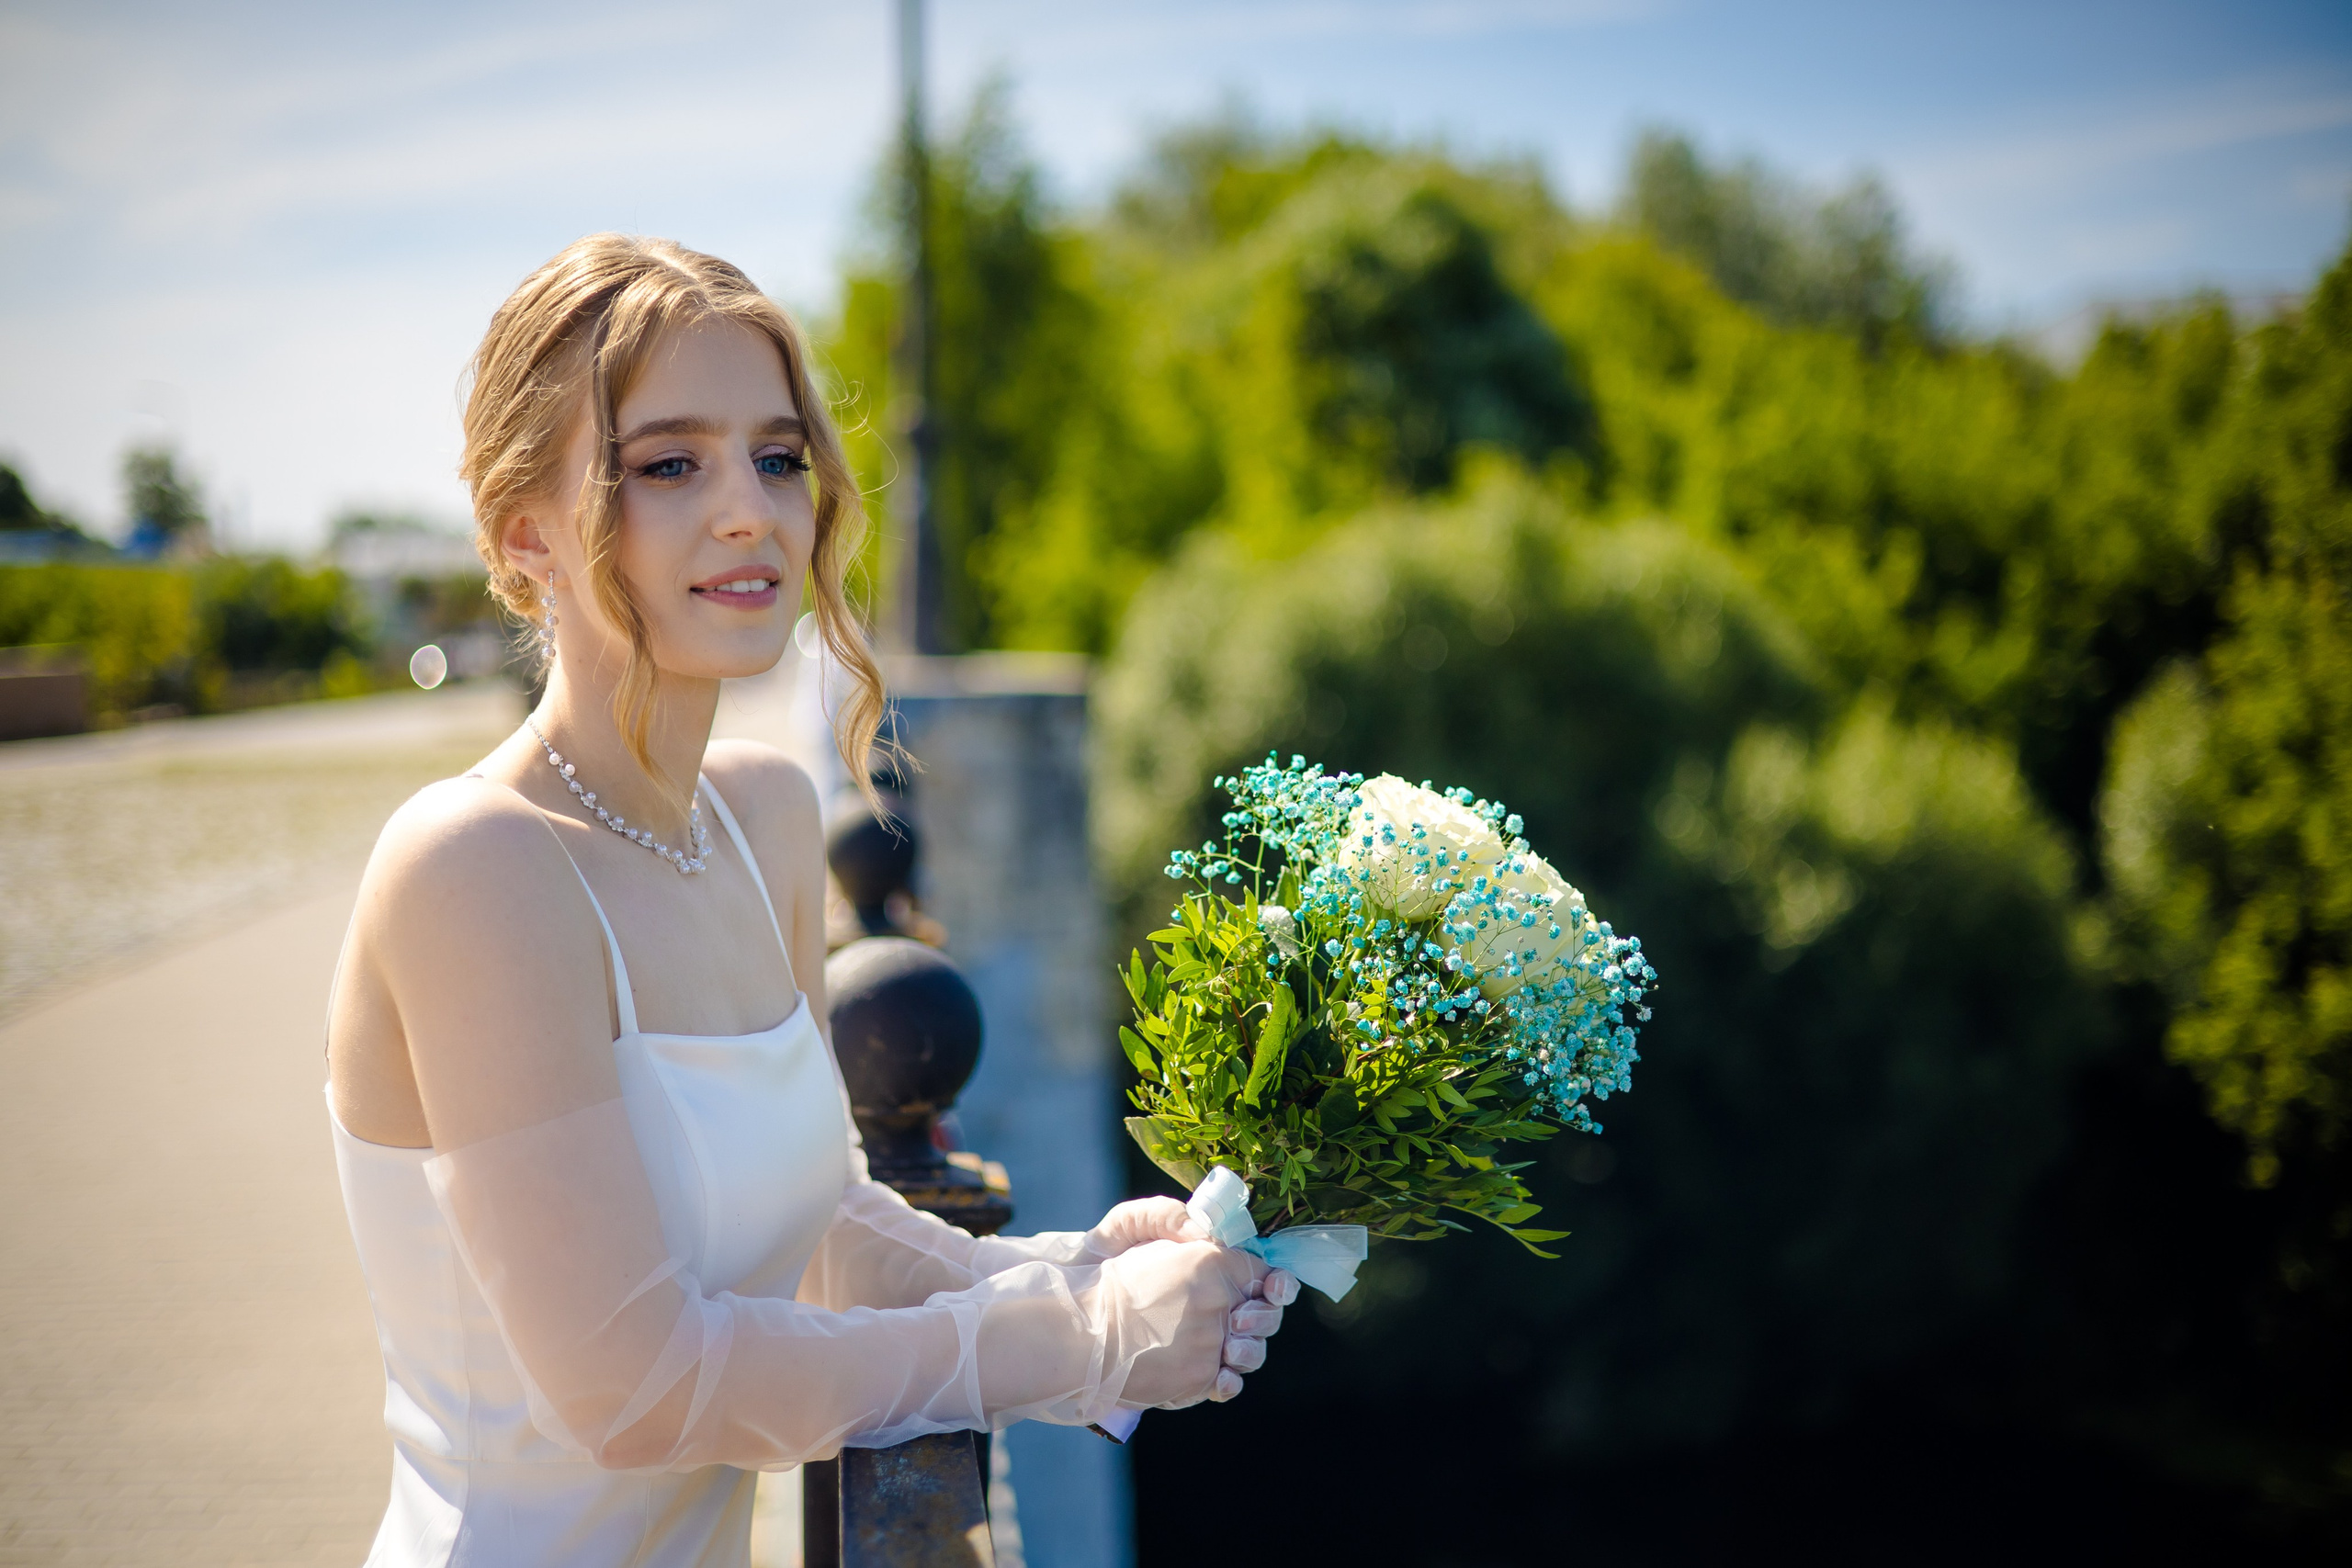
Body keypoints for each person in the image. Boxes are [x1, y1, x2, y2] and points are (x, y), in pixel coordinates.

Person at [323, 233, 1293, 1566]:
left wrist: (1063, 1268)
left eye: (778, 458)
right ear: (521, 533)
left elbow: (823, 1225)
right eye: (670, 464)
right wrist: (1077, 1344)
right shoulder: (473, 865)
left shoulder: (763, 812)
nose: (751, 510)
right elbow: (637, 1385)